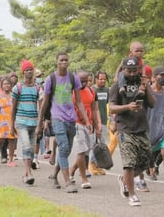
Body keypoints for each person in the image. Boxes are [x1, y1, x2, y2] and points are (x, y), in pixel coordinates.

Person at [36, 52, 91, 193]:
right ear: (57, 62)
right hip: (57, 117)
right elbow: (45, 102)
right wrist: (40, 122)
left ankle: (54, 174)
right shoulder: (51, 79)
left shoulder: (73, 78)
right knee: (64, 147)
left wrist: (86, 120)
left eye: (66, 60)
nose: (64, 62)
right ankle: (68, 182)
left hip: (71, 119)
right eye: (61, 60)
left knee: (65, 151)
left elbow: (79, 101)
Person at [109, 56, 155, 207]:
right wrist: (127, 107)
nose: (131, 73)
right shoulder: (117, 86)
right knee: (129, 164)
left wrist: (146, 86)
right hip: (125, 129)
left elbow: (152, 104)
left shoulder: (141, 83)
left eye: (134, 70)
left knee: (146, 162)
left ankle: (124, 180)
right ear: (123, 70)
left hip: (141, 128)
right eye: (128, 70)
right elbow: (112, 108)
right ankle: (132, 194)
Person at [140, 67, 164, 192]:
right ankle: (140, 180)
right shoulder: (147, 92)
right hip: (147, 131)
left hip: (162, 132)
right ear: (154, 77)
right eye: (162, 75)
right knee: (143, 157)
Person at [69, 70, 101, 189]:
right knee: (81, 151)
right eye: (80, 81)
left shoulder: (91, 91)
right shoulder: (71, 92)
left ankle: (71, 170)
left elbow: (94, 109)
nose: (83, 83)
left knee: (87, 151)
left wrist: (97, 125)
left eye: (85, 81)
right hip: (76, 124)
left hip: (89, 125)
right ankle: (84, 179)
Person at [11, 59, 40, 185]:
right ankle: (29, 173)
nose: (29, 72)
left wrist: (42, 122)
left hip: (34, 122)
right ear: (23, 72)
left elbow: (41, 106)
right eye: (27, 70)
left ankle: (26, 175)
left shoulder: (38, 88)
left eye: (31, 70)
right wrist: (12, 124)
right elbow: (13, 107)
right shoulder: (17, 88)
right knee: (26, 146)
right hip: (21, 121)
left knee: (32, 150)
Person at [0, 77, 17, 167]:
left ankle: (10, 160)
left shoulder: (13, 95)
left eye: (8, 84)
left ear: (11, 85)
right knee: (0, 139)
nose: (7, 85)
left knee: (12, 139)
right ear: (1, 86)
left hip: (11, 119)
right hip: (1, 119)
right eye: (5, 84)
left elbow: (16, 107)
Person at [89, 71, 110, 175]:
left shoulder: (107, 90)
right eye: (101, 79)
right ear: (96, 79)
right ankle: (91, 165)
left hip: (104, 120)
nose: (103, 81)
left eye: (104, 79)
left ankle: (97, 165)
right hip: (93, 122)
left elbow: (107, 104)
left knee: (101, 144)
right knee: (94, 144)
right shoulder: (92, 90)